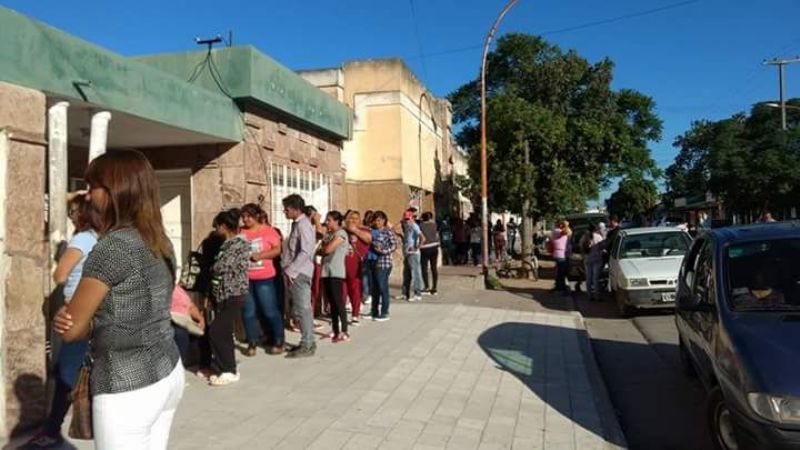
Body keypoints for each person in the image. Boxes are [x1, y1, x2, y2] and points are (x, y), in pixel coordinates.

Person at [53, 150, 183, 450]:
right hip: (167, 368)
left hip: (127, 383)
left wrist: (69, 315)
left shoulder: (112, 247)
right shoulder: (158, 239)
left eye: (93, 186)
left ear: (114, 191)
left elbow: (72, 330)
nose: (88, 195)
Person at [24, 195, 99, 449]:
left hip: (78, 311)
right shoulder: (100, 239)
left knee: (65, 372)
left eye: (72, 211)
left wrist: (61, 259)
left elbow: (60, 275)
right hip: (96, 312)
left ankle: (52, 428)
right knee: (83, 368)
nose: (70, 215)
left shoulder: (82, 239)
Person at [207, 209, 251, 386]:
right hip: (223, 292)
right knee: (224, 332)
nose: (216, 230)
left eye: (217, 226)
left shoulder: (238, 244)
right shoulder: (227, 244)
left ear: (224, 226)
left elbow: (222, 266)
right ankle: (225, 366)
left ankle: (229, 369)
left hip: (234, 292)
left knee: (217, 331)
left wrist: (213, 266)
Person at [239, 203, 284, 356]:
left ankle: (278, 340)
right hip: (245, 278)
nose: (245, 220)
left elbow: (277, 250)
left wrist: (261, 256)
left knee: (269, 310)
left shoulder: (268, 231)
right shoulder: (241, 232)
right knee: (248, 312)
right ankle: (252, 341)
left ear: (257, 216)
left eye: (248, 216)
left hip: (264, 277)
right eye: (243, 217)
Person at [281, 194, 317, 358]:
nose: (284, 212)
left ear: (296, 209)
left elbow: (306, 251)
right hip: (296, 272)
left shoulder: (303, 225)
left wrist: (292, 270)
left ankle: (308, 344)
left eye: (287, 209)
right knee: (301, 309)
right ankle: (307, 341)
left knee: (302, 309)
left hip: (299, 273)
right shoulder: (297, 224)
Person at [319, 211, 351, 342]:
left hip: (336, 272)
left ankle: (344, 331)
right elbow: (320, 248)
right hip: (326, 271)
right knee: (331, 303)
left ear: (337, 221)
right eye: (326, 220)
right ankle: (335, 329)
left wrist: (323, 248)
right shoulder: (329, 235)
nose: (327, 222)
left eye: (329, 220)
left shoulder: (341, 234)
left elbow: (327, 250)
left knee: (338, 302)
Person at [343, 210, 372, 325]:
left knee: (355, 291)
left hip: (356, 266)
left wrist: (354, 230)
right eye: (351, 218)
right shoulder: (343, 231)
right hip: (341, 265)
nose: (353, 220)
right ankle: (341, 315)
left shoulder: (364, 230)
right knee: (342, 292)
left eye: (356, 218)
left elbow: (368, 239)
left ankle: (355, 315)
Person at [369, 211, 398, 321]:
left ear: (384, 220)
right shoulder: (373, 232)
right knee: (375, 288)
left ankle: (385, 312)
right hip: (374, 263)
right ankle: (374, 311)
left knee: (383, 287)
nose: (377, 222)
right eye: (376, 220)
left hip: (384, 262)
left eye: (380, 220)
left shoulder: (387, 232)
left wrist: (384, 251)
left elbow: (394, 244)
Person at [395, 209, 425, 302]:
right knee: (406, 274)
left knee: (415, 273)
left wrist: (416, 247)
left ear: (412, 218)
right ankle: (405, 293)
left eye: (408, 219)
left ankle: (417, 294)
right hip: (407, 253)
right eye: (405, 219)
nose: (406, 221)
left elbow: (423, 238)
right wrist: (400, 233)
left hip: (413, 254)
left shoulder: (414, 226)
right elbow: (406, 238)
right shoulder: (407, 227)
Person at [580, 223, 605, 302]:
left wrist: (584, 255)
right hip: (597, 259)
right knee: (595, 278)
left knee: (588, 278)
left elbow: (580, 246)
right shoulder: (598, 237)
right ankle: (597, 296)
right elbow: (602, 247)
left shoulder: (584, 237)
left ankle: (590, 295)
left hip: (587, 259)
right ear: (596, 229)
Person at [419, 212, 440, 296]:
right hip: (434, 247)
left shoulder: (420, 226)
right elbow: (437, 235)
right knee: (433, 267)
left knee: (424, 268)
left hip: (424, 248)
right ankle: (434, 288)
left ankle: (426, 287)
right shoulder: (434, 225)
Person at [551, 220, 572, 294]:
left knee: (561, 272)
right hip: (560, 254)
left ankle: (559, 287)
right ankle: (560, 289)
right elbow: (566, 232)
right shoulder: (557, 231)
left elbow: (569, 233)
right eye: (561, 224)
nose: (561, 225)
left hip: (563, 254)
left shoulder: (561, 231)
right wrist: (566, 225)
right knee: (561, 273)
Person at [360, 210, 375, 307]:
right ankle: (367, 294)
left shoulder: (367, 229)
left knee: (367, 276)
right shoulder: (365, 229)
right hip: (368, 255)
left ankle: (368, 295)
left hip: (370, 255)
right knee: (367, 276)